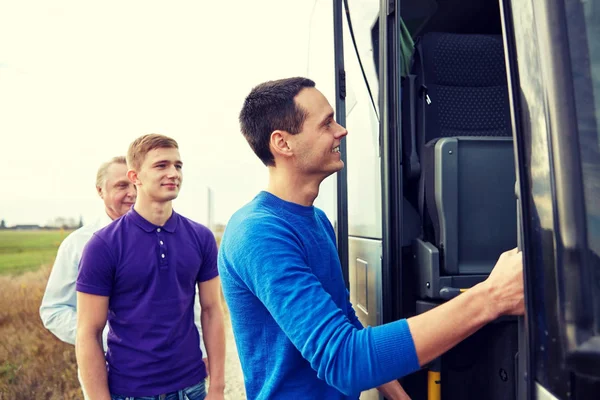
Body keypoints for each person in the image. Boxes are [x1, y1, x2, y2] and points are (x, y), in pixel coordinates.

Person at [218, 77, 525, 400]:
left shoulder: (318, 220)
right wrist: (492, 297)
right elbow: (343, 359)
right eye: (326, 124)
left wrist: (398, 395)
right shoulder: (258, 233)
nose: (341, 130)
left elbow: (345, 319)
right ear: (283, 143)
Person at [40, 156, 208, 398]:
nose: (132, 193)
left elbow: (189, 304)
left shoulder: (171, 235)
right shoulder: (79, 244)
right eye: (121, 186)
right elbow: (53, 310)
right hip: (109, 376)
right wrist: (113, 337)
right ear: (100, 191)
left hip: (180, 377)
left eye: (133, 184)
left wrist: (200, 348)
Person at [76, 135, 225, 400]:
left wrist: (217, 387)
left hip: (192, 388)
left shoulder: (201, 238)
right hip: (131, 391)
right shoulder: (103, 245)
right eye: (161, 165)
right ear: (136, 176)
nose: (173, 173)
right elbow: (88, 332)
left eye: (178, 166)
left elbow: (213, 311)